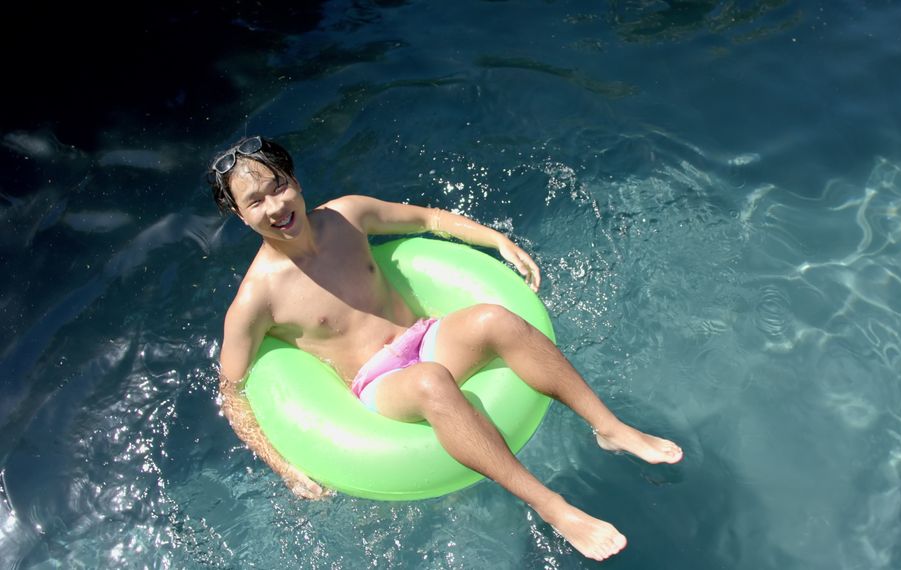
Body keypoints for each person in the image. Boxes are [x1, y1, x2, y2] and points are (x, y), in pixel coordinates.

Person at [207, 136, 682, 561]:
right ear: (237, 213)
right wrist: (284, 466)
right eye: (255, 202)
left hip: (424, 335)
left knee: (495, 318)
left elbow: (428, 219)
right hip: (380, 383)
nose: (275, 206)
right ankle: (553, 507)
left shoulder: (346, 217)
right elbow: (232, 390)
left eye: (278, 186)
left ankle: (611, 428)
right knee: (431, 380)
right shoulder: (257, 300)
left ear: (293, 177)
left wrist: (496, 241)